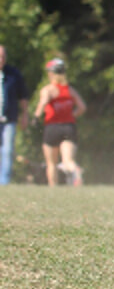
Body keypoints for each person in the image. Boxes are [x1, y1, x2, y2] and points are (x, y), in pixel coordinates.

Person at [32, 57, 86, 186]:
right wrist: (72, 114)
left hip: (52, 128)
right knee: (68, 160)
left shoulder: (48, 90)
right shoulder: (70, 90)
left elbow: (43, 102)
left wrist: (36, 116)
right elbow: (82, 107)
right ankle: (76, 171)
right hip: (69, 127)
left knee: (52, 163)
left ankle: (53, 188)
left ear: (50, 73)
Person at [0, 45, 30, 185]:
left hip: (9, 119)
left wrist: (25, 115)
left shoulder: (13, 74)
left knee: (7, 150)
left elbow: (23, 96)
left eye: (2, 56)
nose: (1, 59)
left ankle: (3, 182)